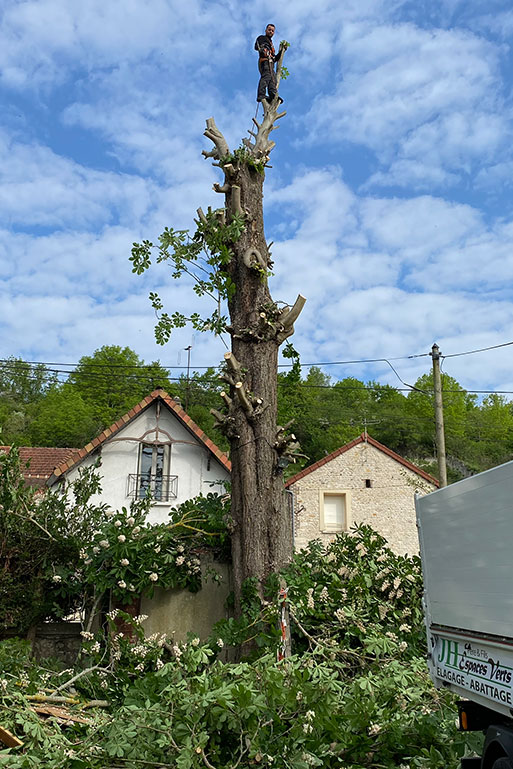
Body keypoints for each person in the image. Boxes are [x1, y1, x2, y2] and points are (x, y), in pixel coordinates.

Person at [254, 23, 283, 105]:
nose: (271, 32)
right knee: (266, 76)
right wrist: (263, 49)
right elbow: (257, 46)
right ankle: (261, 94)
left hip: (271, 63)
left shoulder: (271, 44)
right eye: (269, 30)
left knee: (273, 79)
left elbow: (275, 58)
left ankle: (273, 96)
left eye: (272, 31)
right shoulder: (261, 38)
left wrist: (281, 52)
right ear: (266, 30)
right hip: (265, 61)